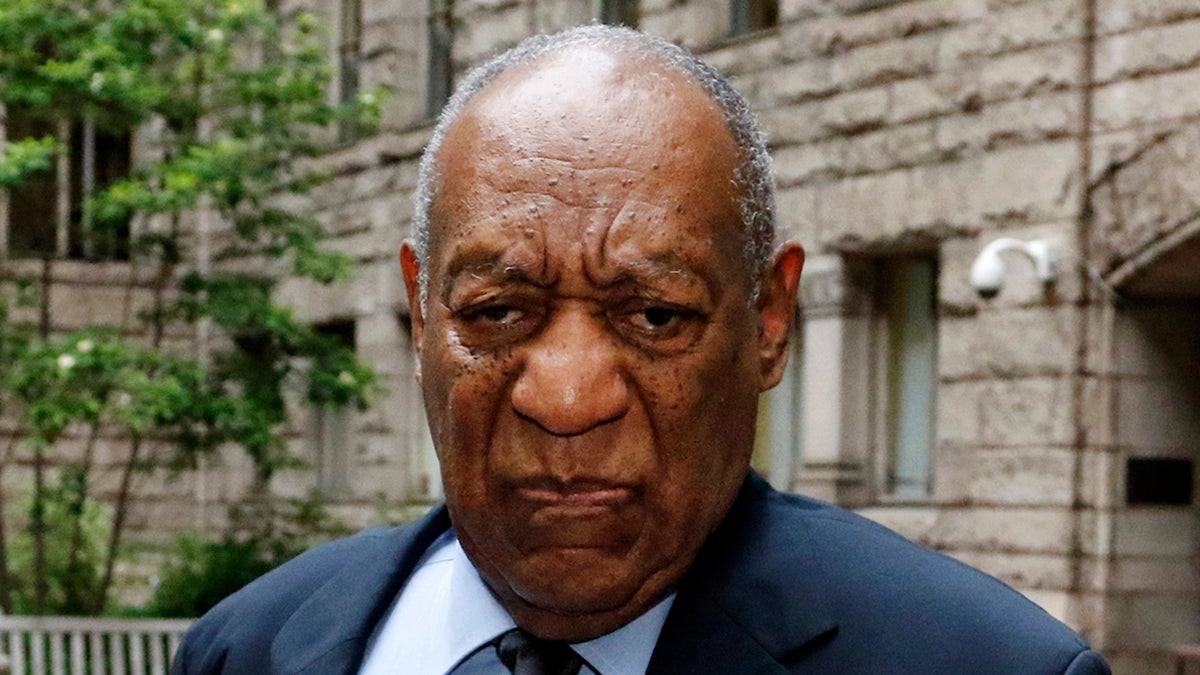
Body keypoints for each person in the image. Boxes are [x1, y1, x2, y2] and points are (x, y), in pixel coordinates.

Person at [171, 25, 1110, 675]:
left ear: (770, 321)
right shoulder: (247, 647)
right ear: (421, 314)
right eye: (499, 310)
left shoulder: (985, 663)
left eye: (654, 315)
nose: (568, 398)